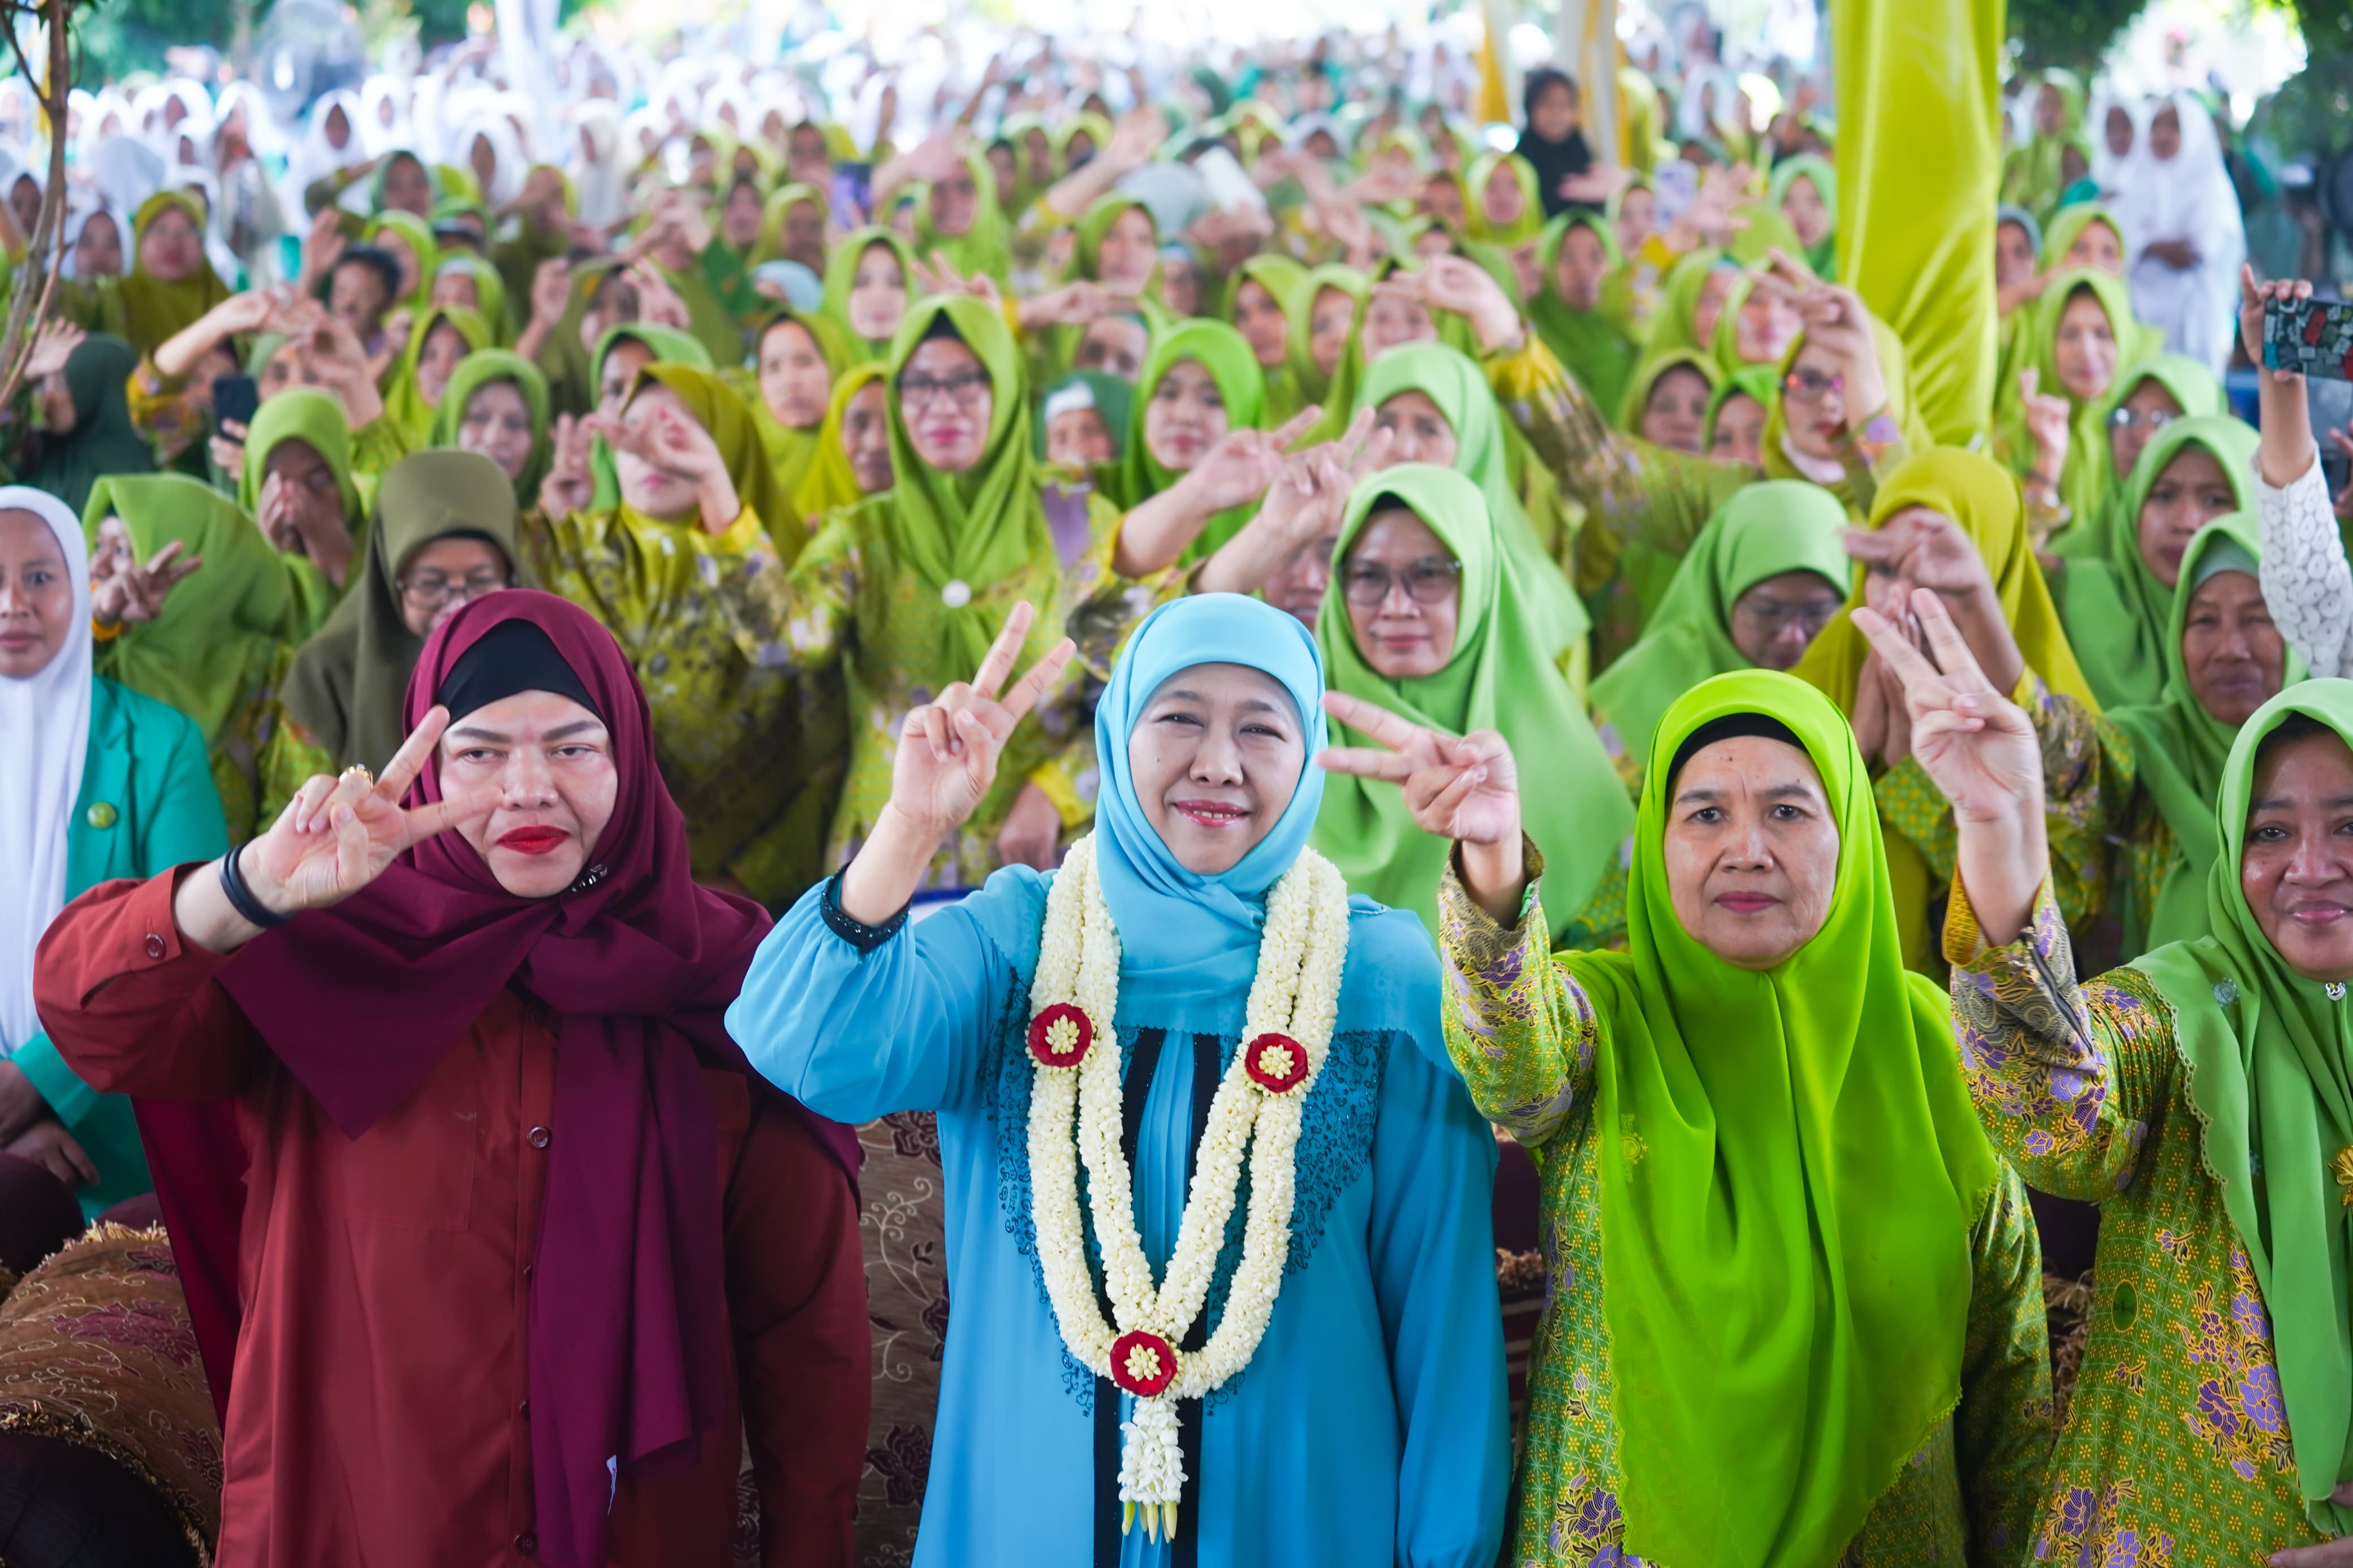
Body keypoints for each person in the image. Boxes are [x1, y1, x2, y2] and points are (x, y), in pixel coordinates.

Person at [33, 590, 869, 1568]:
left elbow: (802, 1334)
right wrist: (254, 885)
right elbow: (88, 1014)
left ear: (631, 759)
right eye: (479, 752)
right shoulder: (316, 960)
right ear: (425, 765)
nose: (527, 788)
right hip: (350, 1530)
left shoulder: (726, 984)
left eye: (573, 747)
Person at [728, 592, 1511, 1566]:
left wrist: (1450, 1549)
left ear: (1311, 756)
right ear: (1118, 729)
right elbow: (803, 1040)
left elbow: (1443, 1318)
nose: (1218, 762)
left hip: (1305, 1524)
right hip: (1025, 1519)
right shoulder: (1018, 939)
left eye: (1262, 728)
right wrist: (910, 824)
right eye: (1179, 715)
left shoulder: (1378, 977)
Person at [1318, 662, 2051, 1566]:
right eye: (1705, 813)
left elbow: (2010, 1380)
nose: (1746, 848)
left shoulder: (1935, 1045)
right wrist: (1495, 857)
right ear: (1658, 843)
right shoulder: (1606, 1019)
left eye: (1788, 811)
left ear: (1850, 834)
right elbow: (1511, 1066)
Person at [1863, 582, 2353, 1565]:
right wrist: (2000, 835)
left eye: (2349, 823)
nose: (2311, 863)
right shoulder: (2182, 1016)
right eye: (2269, 830)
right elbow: (2049, 1111)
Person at [773, 295, 1153, 888]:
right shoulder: (861, 535)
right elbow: (786, 648)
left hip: (1031, 860)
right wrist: (722, 507)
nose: (940, 404)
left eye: (965, 380)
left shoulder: (1072, 520)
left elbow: (1140, 693)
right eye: (918, 384)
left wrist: (1059, 791)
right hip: (889, 858)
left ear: (1003, 389)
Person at [529, 362, 839, 906]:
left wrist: (748, 882)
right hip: (588, 889)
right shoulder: (567, 547)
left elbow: (825, 746)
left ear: (726, 444)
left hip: (753, 898)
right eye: (635, 432)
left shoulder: (783, 560)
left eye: (675, 431)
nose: (653, 451)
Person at [1787, 448, 2106, 971]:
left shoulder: (2070, 737)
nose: (1907, 595)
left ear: (1999, 574)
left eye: (1946, 576)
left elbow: (2070, 908)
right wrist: (1850, 757)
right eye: (1886, 567)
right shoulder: (1812, 693)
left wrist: (1915, 780)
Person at [0, 487, 226, 1218]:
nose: (13, 603)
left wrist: (38, 1084)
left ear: (81, 587)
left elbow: (197, 947)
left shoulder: (160, 746)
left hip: (123, 1155)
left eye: (40, 576)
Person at [1312, 463, 1627, 943]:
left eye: (1430, 574)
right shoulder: (1289, 740)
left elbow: (1591, 991)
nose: (1396, 605)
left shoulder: (1571, 774)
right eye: (1368, 575)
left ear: (1482, 581)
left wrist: (1498, 856)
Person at [258, 449, 522, 816]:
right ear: (389, 579)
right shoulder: (326, 672)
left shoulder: (557, 653)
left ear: (513, 574)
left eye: (481, 581)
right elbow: (289, 829)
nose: (458, 606)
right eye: (430, 583)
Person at [1589, 479, 1851, 782]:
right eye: (1768, 611)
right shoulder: (1639, 695)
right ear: (1720, 593)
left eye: (1817, 613)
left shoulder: (1865, 683)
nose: (1792, 636)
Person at [2050, 414, 2257, 710]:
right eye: (2163, 496)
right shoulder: (2067, 601)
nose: (2185, 522)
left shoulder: (2298, 638)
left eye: (2215, 500)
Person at [2117, 93, 2246, 377]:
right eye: (2156, 126)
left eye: (2174, 126)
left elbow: (2199, 250)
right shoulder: (2134, 181)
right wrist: (2156, 247)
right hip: (2138, 318)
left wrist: (2148, 246)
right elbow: (2117, 243)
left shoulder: (2212, 189)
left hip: (2194, 323)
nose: (2162, 135)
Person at [18, 329, 153, 515]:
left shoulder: (139, 472)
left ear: (95, 387)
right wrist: (23, 381)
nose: (48, 396)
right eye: (42, 385)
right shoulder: (37, 454)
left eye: (61, 383)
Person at [428, 347, 553, 505]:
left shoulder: (558, 524)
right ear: (449, 424)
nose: (494, 437)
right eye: (478, 418)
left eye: (514, 424)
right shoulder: (410, 518)